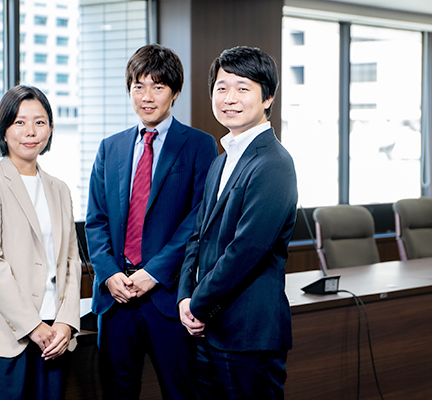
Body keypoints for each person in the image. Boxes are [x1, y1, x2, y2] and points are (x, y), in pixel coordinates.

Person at [85, 44, 218, 399]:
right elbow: (95, 221)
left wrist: (153, 272)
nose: (147, 97)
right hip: (116, 299)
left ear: (174, 92)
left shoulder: (199, 145)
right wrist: (109, 273)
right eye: (138, 86)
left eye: (157, 87)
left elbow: (199, 218)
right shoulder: (109, 147)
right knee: (117, 393)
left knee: (181, 392)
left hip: (167, 297)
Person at [177, 46, 298, 399]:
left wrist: (197, 305)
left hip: (248, 334)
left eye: (242, 88)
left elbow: (246, 251)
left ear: (268, 97)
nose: (229, 98)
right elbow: (197, 237)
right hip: (209, 330)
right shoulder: (221, 160)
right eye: (221, 88)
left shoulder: (274, 163)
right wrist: (184, 296)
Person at [0, 85, 82, 400]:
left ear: (50, 128)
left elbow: (71, 261)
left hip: (53, 337)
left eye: (40, 122)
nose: (30, 131)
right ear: (4, 129)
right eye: (19, 122)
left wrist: (66, 322)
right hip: (1, 336)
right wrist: (33, 325)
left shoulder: (59, 189)